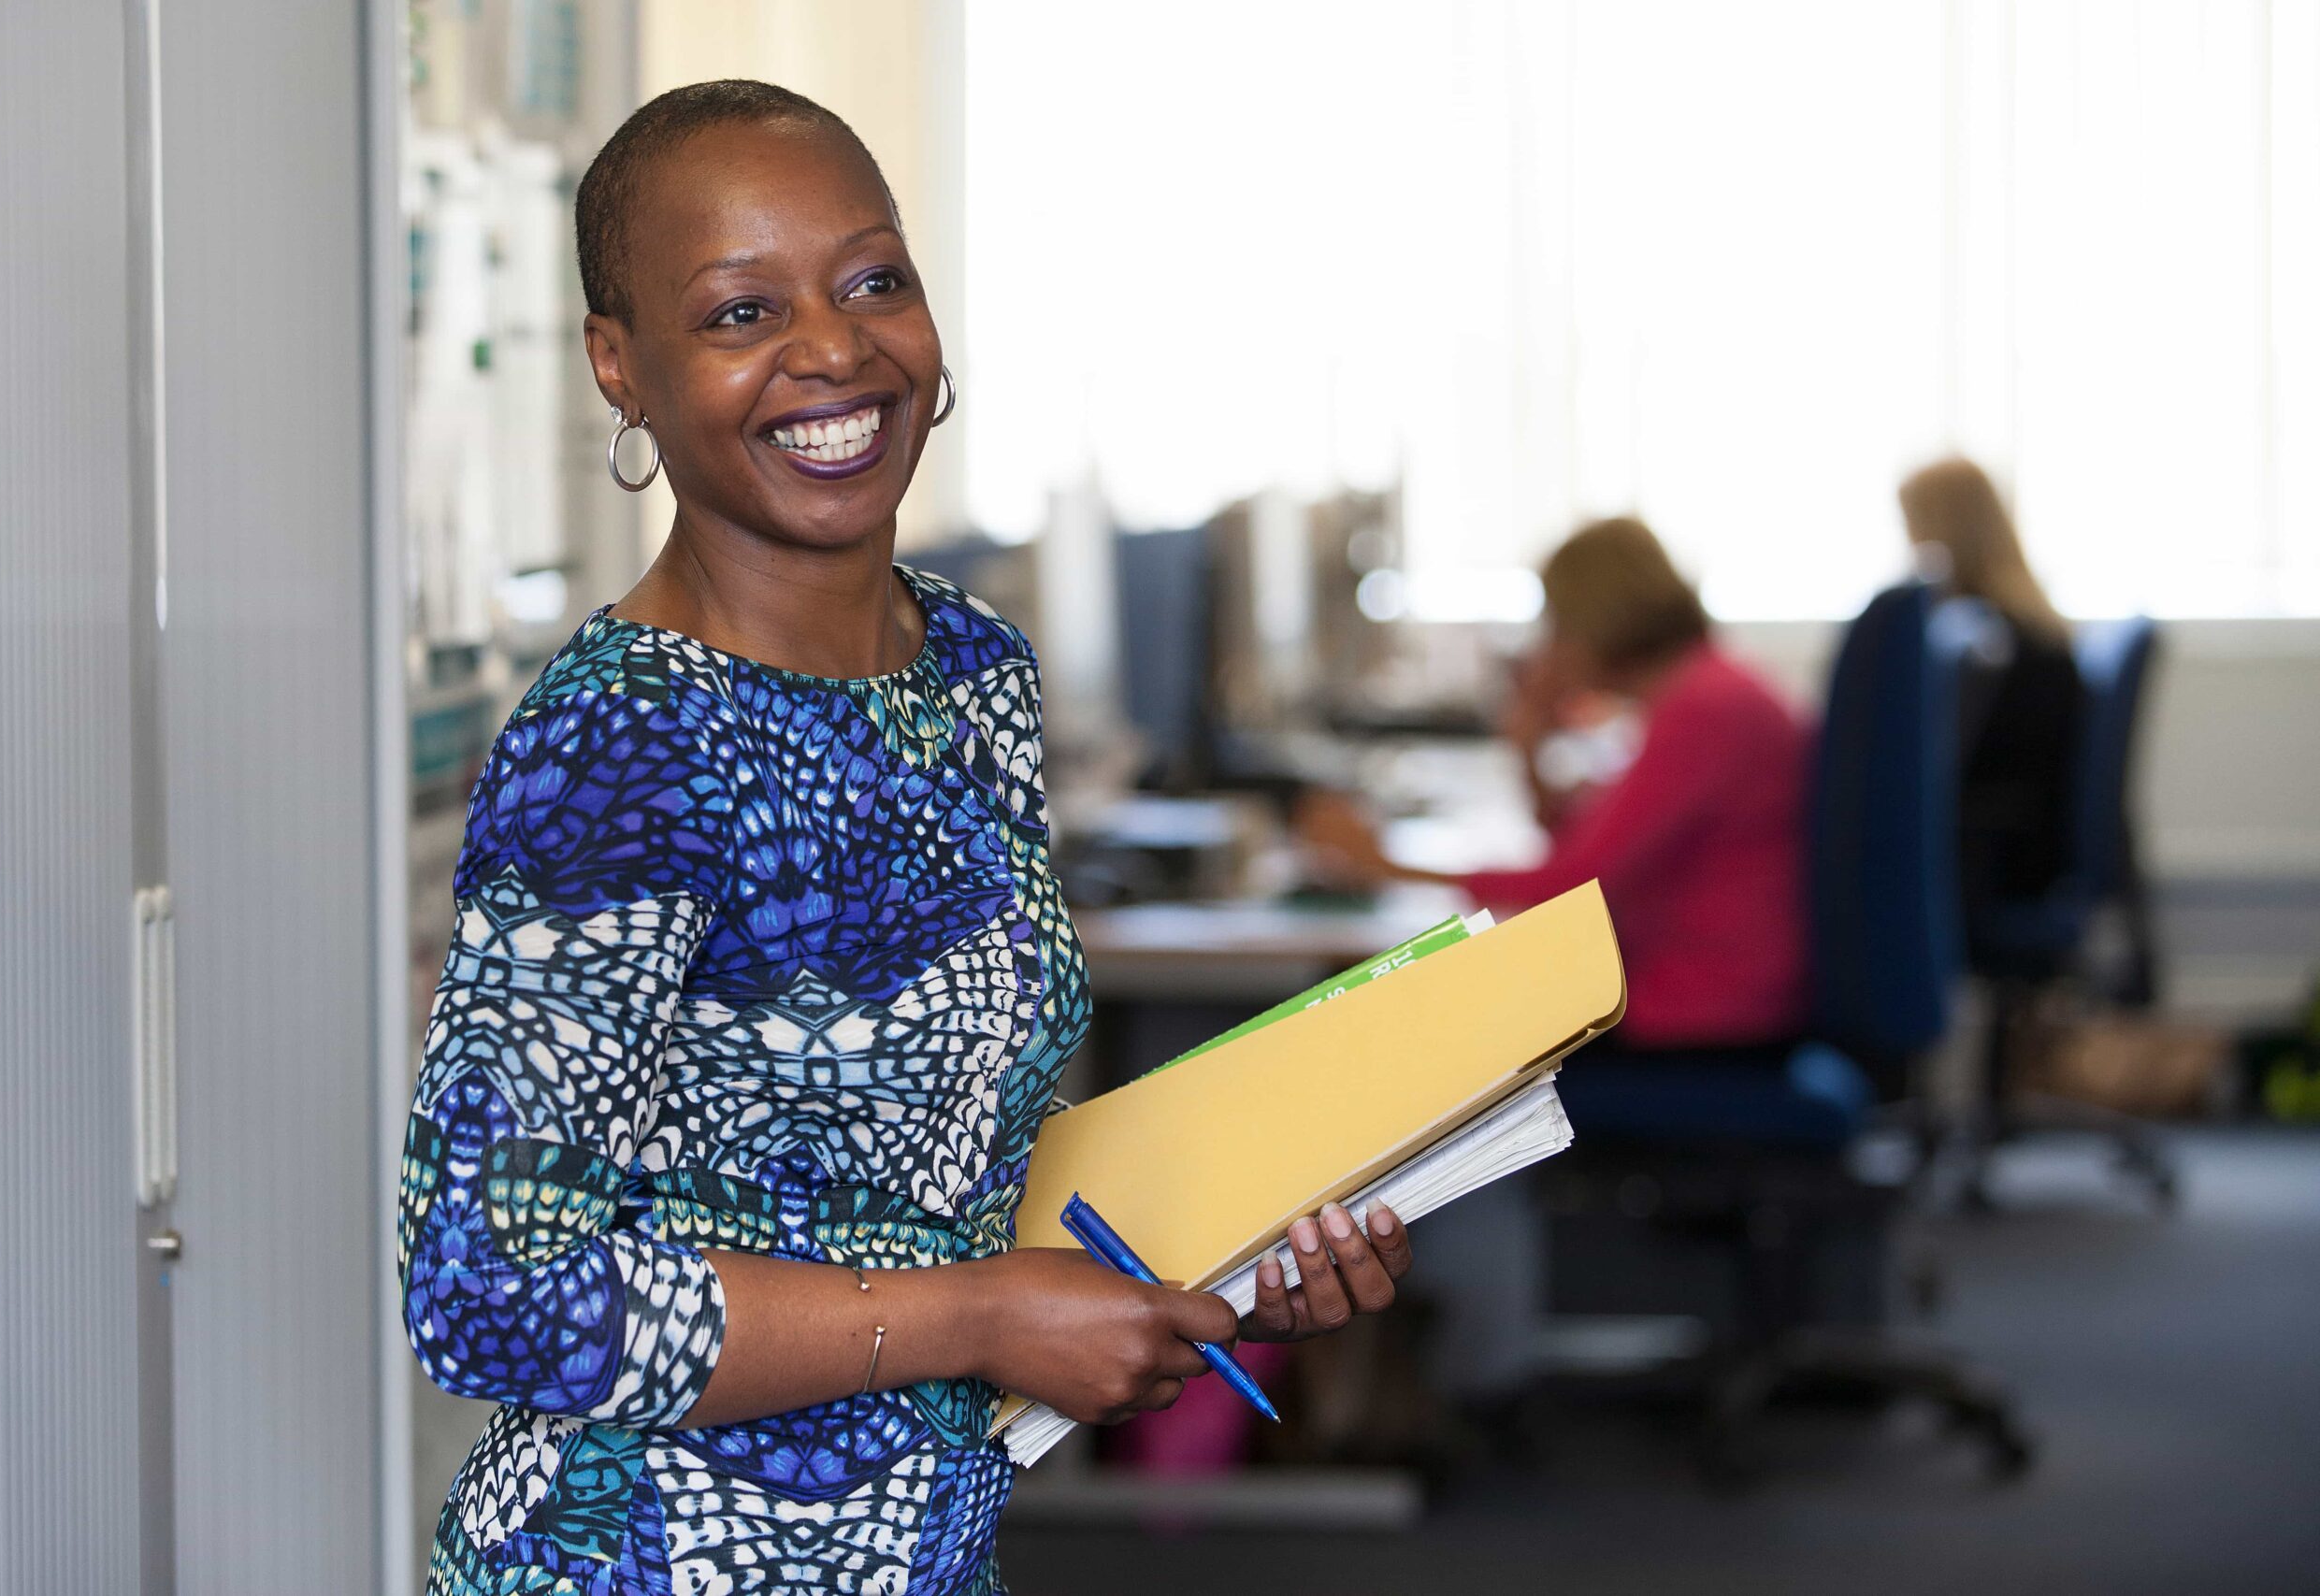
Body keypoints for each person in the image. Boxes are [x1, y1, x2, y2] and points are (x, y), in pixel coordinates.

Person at [397, 81, 1414, 1594]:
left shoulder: (970, 671)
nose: (833, 346)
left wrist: (1217, 1267)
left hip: (916, 1550)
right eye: (741, 311)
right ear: (622, 368)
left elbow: (925, 1173)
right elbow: (486, 1288)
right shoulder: (622, 743)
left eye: (874, 279)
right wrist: (985, 1316)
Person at [1301, 517, 1810, 1057]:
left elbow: (1572, 884)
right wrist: (1528, 748)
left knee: (1396, 1036)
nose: (1551, 646)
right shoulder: (1703, 688)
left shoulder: (1706, 710)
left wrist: (1385, 866)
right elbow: (1584, 852)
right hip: (1704, 989)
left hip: (1707, 1010)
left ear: (1596, 621)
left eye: (1559, 624)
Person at [1898, 456, 2083, 932]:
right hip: (2023, 848)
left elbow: (1958, 766)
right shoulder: (2027, 627)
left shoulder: (1985, 645)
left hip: (1997, 857)